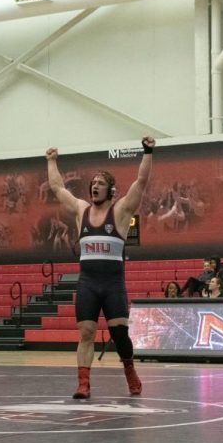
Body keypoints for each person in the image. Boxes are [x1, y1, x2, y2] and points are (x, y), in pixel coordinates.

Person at [45, 136, 155, 399]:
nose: (95, 186)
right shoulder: (80, 210)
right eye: (93, 183)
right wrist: (51, 161)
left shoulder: (120, 212)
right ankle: (83, 383)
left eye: (101, 184)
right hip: (88, 284)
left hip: (113, 284)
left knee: (119, 335)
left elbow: (141, 183)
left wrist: (148, 152)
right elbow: (58, 188)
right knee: (86, 332)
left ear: (111, 190)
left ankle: (130, 372)